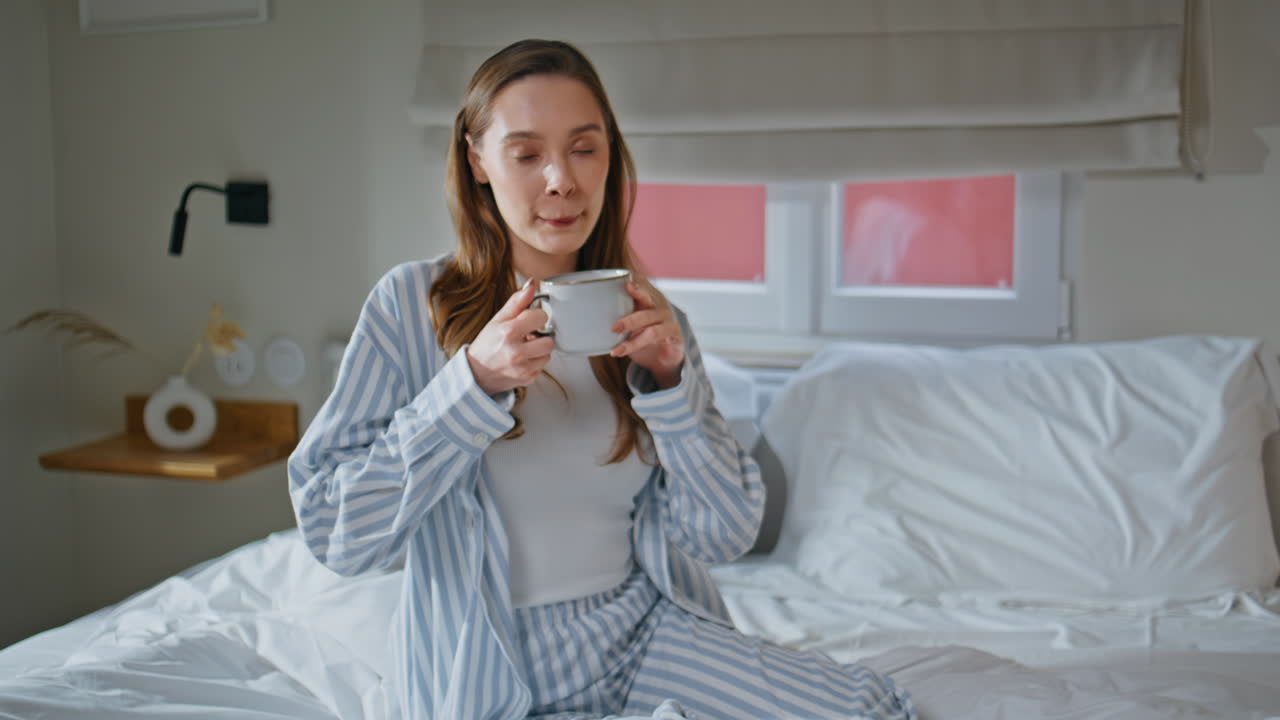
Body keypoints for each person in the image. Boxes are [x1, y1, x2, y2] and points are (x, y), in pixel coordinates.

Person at [288, 38, 915, 720]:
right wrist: (468, 387)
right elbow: (337, 535)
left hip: (643, 638)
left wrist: (672, 392)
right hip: (482, 664)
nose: (561, 179)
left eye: (584, 148)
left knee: (869, 709)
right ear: (476, 160)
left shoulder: (652, 321)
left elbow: (722, 538)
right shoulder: (411, 307)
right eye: (526, 153)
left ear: (610, 154)